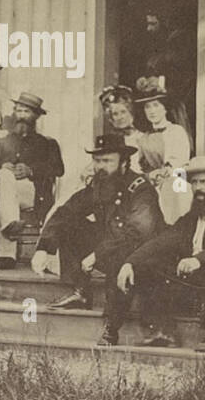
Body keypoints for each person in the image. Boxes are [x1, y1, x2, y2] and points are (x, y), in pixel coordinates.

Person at [118, 157, 205, 352]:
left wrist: (198, 260)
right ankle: (162, 330)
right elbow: (164, 239)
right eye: (194, 182)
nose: (197, 187)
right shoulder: (193, 216)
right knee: (150, 266)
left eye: (204, 182)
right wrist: (130, 262)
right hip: (198, 280)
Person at [34, 134, 164, 344]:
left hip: (145, 255)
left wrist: (96, 254)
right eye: (97, 160)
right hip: (113, 246)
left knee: (117, 254)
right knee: (70, 226)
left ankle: (111, 327)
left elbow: (136, 233)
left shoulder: (141, 188)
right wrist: (43, 248)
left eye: (107, 161)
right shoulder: (101, 184)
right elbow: (66, 211)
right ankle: (81, 292)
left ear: (123, 163)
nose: (100, 166)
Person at [0, 92, 64, 265]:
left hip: (33, 194)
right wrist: (0, 166)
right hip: (4, 194)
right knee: (4, 176)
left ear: (36, 116)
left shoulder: (47, 143)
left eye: (26, 112)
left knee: (5, 188)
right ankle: (7, 251)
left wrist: (31, 170)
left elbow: (58, 169)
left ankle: (8, 239)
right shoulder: (1, 142)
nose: (21, 116)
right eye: (18, 111)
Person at [133, 84, 193, 224]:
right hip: (152, 182)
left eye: (156, 105)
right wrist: (149, 176)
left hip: (177, 181)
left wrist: (162, 173)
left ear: (165, 108)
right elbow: (140, 165)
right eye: (147, 107)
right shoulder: (143, 138)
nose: (151, 111)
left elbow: (179, 162)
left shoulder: (176, 131)